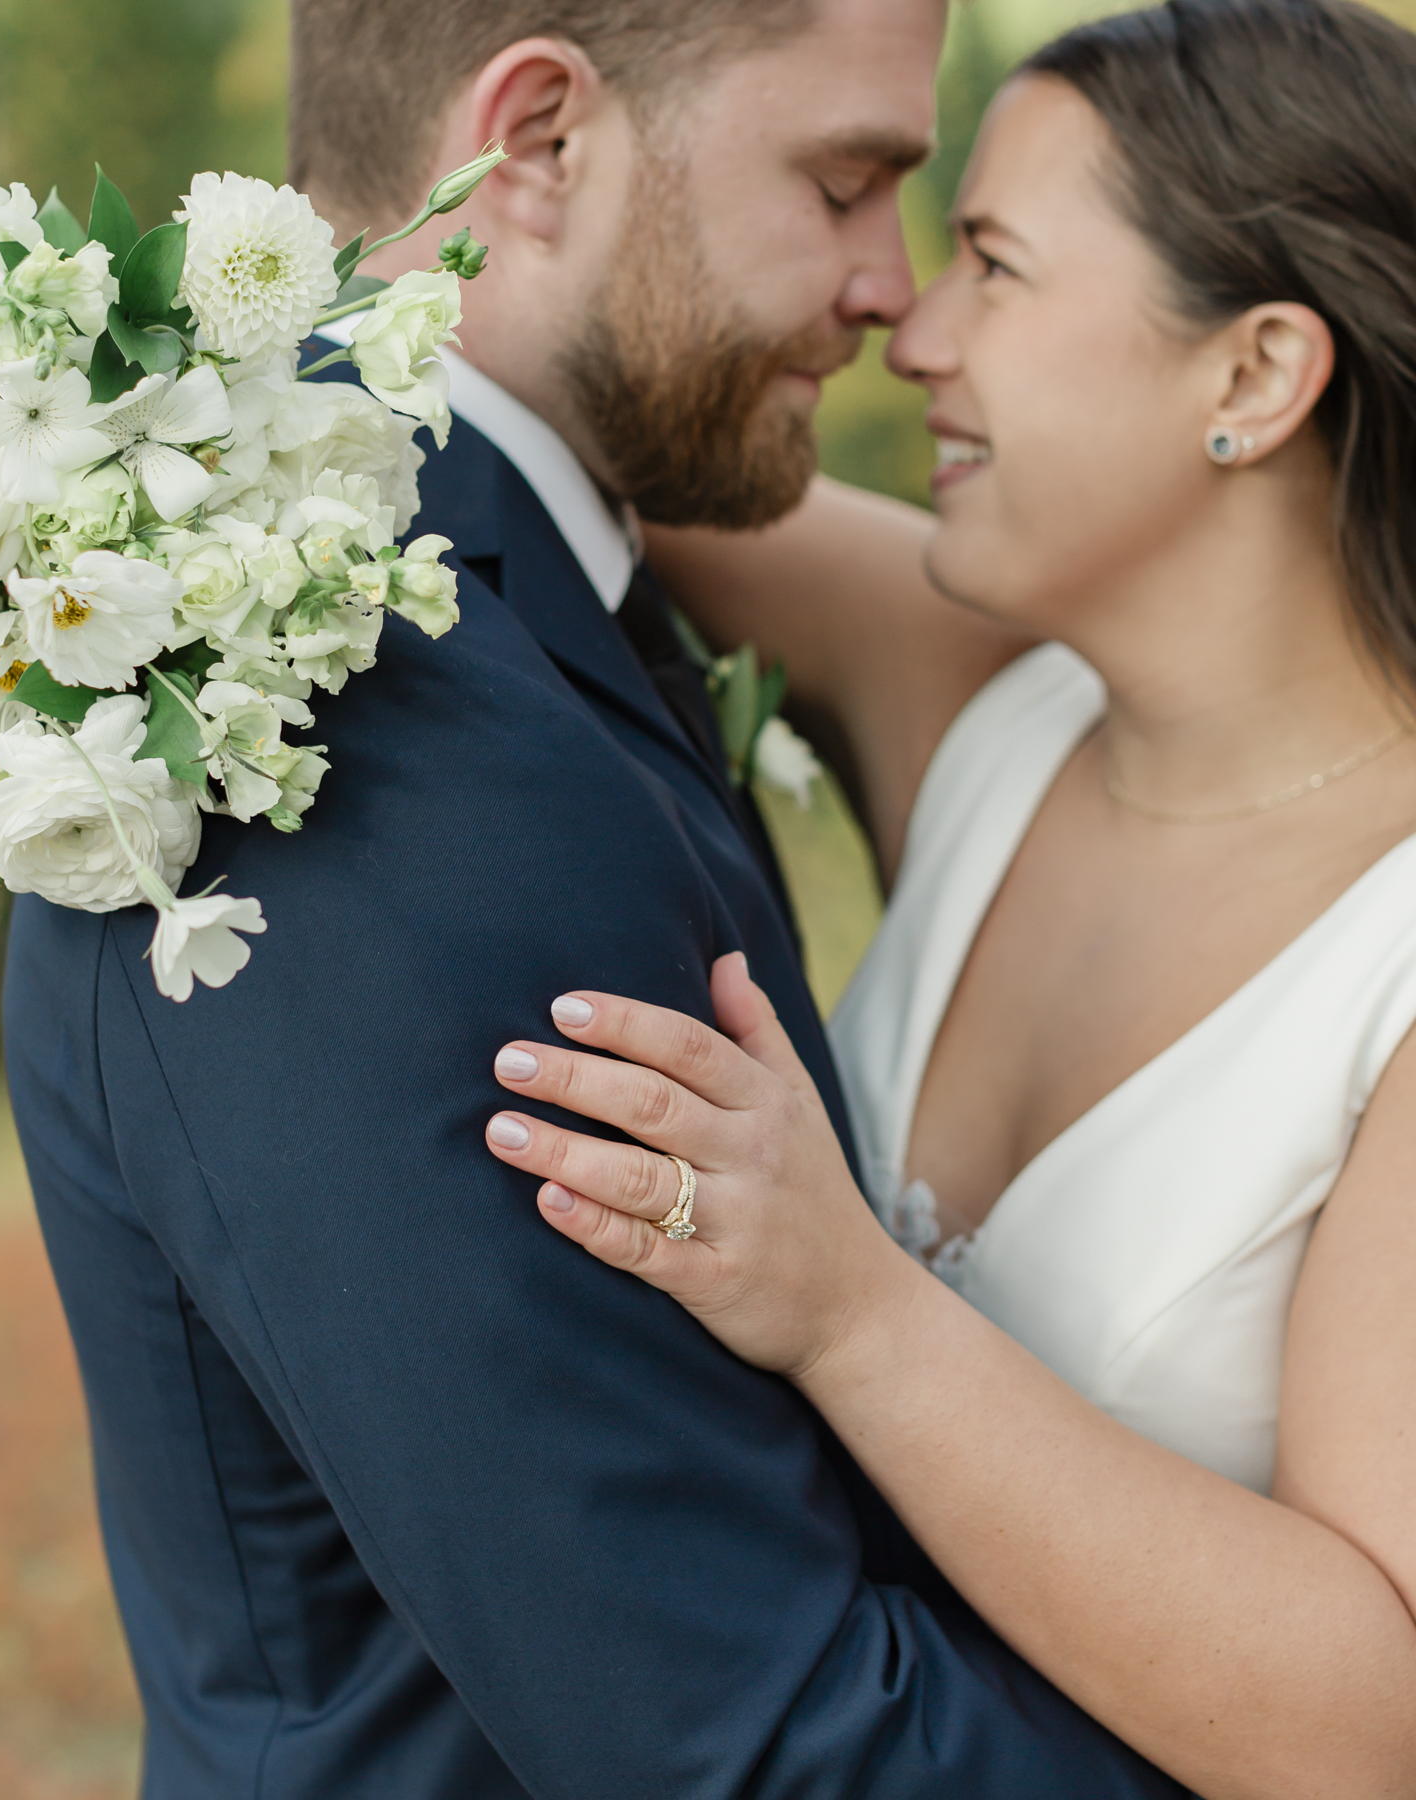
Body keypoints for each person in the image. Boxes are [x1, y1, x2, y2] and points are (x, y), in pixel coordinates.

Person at [3, 1, 1184, 1795]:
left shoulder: (494, 592)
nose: (894, 291)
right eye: (849, 179)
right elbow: (754, 1745)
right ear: (540, 142)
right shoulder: (357, 732)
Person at [481, 1, 1416, 1795]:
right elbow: (538, 398)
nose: (912, 330)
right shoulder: (975, 687)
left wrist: (853, 1313)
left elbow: (1371, 1722)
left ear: (1254, 375)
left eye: (992, 261)